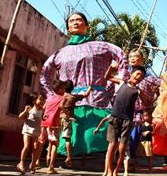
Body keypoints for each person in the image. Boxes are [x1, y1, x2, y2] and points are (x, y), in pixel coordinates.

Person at [41, 12, 128, 156]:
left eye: (79, 20)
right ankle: (67, 157)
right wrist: (52, 95)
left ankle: (99, 156)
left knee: (93, 135)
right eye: (71, 21)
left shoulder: (100, 46)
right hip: (69, 101)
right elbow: (44, 73)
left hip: (98, 98)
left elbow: (121, 56)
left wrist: (120, 84)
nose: (75, 23)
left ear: (86, 25)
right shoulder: (59, 53)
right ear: (68, 27)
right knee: (68, 134)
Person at [103, 62, 146, 176]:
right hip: (115, 117)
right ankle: (110, 172)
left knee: (122, 148)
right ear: (132, 73)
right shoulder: (122, 82)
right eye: (138, 74)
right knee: (112, 145)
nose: (139, 77)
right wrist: (111, 67)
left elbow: (147, 102)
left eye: (141, 76)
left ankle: (117, 171)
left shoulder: (138, 91)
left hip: (127, 120)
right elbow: (107, 77)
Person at [124, 49, 160, 176]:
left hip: (139, 113)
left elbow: (161, 87)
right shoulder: (124, 73)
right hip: (123, 110)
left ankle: (131, 161)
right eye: (130, 56)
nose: (133, 59)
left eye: (136, 56)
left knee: (133, 139)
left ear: (142, 59)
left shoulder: (149, 77)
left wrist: (155, 96)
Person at [60, 80, 92, 169]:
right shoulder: (72, 97)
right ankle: (69, 158)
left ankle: (51, 159)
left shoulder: (62, 96)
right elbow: (85, 95)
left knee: (58, 139)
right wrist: (90, 88)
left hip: (59, 119)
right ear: (72, 88)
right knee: (67, 138)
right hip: (66, 119)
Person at [36, 79, 66, 174]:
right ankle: (51, 167)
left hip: (44, 122)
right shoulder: (62, 98)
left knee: (41, 142)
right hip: (54, 124)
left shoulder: (49, 98)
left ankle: (36, 162)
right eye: (64, 88)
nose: (65, 90)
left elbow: (43, 108)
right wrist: (67, 115)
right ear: (60, 89)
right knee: (54, 144)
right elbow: (62, 107)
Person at [17, 92, 46, 174]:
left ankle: (32, 165)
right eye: (40, 99)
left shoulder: (42, 110)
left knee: (36, 148)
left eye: (43, 100)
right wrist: (25, 111)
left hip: (36, 132)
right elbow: (20, 116)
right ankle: (21, 163)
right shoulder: (29, 108)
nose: (42, 101)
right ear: (34, 100)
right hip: (27, 130)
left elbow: (42, 118)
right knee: (26, 146)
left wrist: (44, 118)